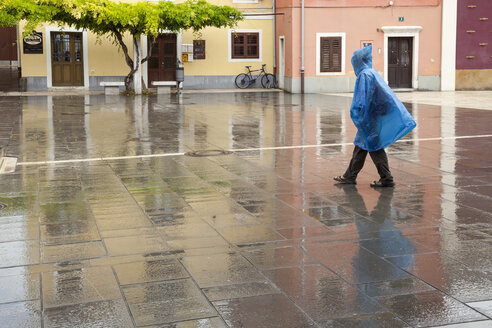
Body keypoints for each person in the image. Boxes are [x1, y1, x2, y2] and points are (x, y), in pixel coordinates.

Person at [334, 45, 416, 187]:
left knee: (374, 147)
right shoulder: (371, 72)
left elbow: (362, 99)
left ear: (358, 61)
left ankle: (386, 178)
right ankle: (350, 176)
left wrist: (358, 115)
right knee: (361, 146)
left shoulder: (364, 75)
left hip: (369, 118)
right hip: (373, 116)